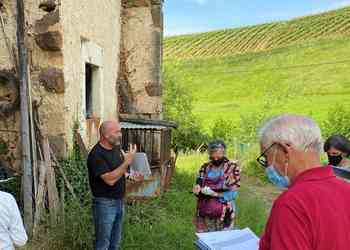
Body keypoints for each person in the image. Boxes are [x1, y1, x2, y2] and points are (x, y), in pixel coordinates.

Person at [257, 115, 350, 250]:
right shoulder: (346, 189)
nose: (267, 166)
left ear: (284, 151)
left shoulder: (291, 203)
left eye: (266, 157)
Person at [87, 120, 143, 250]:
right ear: (106, 135)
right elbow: (110, 180)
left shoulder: (116, 149)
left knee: (115, 243)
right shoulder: (96, 155)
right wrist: (127, 162)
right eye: (117, 132)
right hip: (104, 204)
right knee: (103, 245)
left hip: (119, 201)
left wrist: (130, 175)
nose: (120, 134)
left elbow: (118, 171)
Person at [192, 139, 240, 233]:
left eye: (219, 154)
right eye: (213, 154)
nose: (216, 158)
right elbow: (199, 182)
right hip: (204, 212)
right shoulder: (205, 167)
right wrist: (197, 188)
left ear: (224, 153)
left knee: (223, 241)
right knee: (206, 241)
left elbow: (233, 193)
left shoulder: (231, 168)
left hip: (224, 213)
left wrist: (214, 194)